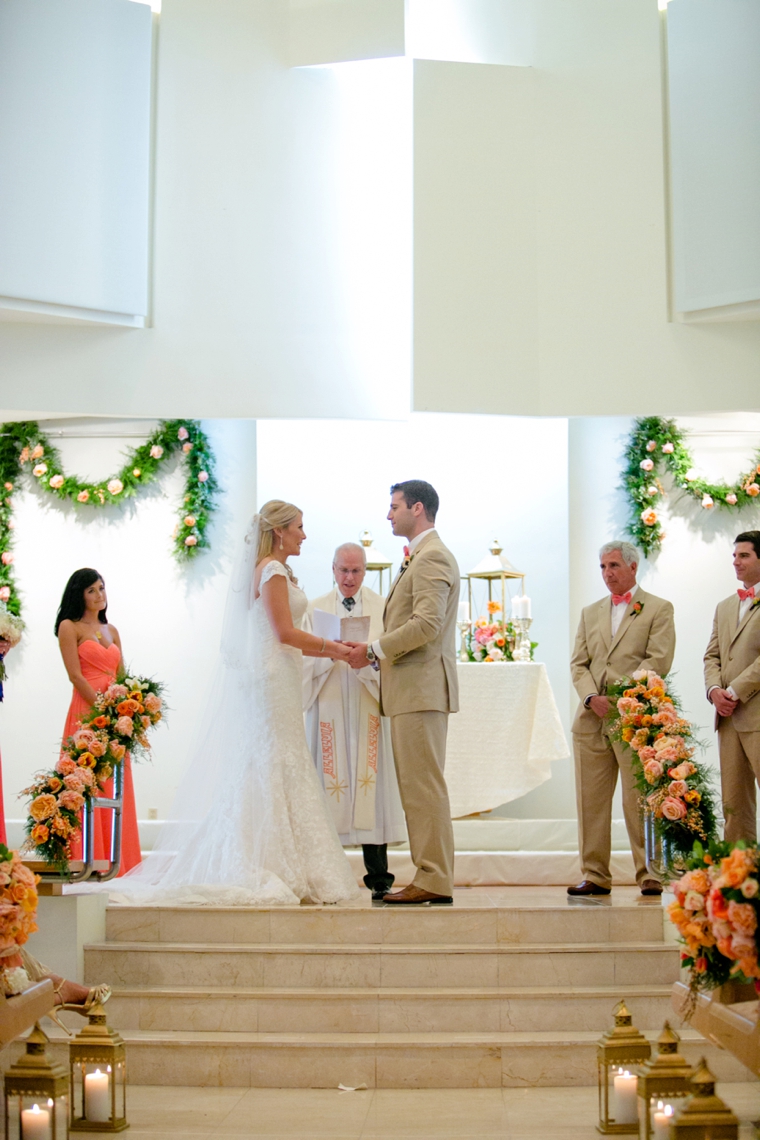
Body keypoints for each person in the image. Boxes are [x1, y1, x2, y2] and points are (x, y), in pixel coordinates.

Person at [100, 501, 360, 906]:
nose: (304, 535)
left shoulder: (276, 570)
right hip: (274, 675)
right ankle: (270, 859)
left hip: (282, 675)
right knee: (276, 758)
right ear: (278, 532)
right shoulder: (271, 571)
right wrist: (336, 650)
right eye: (299, 527)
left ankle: (287, 855)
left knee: (277, 757)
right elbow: (284, 632)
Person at [346, 481, 459, 906]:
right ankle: (433, 875)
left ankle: (433, 877)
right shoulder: (421, 556)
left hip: (420, 689)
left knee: (423, 787)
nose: (388, 515)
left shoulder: (431, 558)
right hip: (412, 689)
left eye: (393, 507)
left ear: (418, 507)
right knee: (419, 787)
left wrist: (373, 649)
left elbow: (427, 625)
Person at [569, 541, 675, 897]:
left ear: (633, 567)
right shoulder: (590, 611)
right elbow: (578, 663)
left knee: (639, 800)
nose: (607, 573)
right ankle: (595, 874)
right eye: (602, 566)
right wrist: (591, 698)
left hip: (635, 720)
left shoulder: (658, 608)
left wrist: (620, 698)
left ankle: (649, 873)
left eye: (613, 565)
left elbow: (658, 660)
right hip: (590, 718)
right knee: (591, 802)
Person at [303, 542, 405, 900]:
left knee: (369, 784)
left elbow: (393, 655)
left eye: (356, 571)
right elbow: (301, 658)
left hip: (366, 700)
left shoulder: (382, 608)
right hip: (328, 696)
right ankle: (323, 873)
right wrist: (331, 654)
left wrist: (369, 661)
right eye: (343, 570)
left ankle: (379, 875)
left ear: (365, 571)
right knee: (327, 779)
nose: (349, 578)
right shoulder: (315, 608)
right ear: (332, 569)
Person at [56, 569, 141, 875]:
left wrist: (126, 711)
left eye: (102, 588)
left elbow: (121, 676)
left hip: (115, 719)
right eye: (92, 590)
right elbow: (75, 675)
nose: (99, 595)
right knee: (86, 779)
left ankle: (117, 859)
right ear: (79, 594)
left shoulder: (112, 630)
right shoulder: (70, 626)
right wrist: (101, 708)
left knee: (113, 781)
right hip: (86, 711)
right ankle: (85, 857)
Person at [704, 530, 760, 844]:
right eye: (734, 556)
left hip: (756, 713)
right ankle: (742, 879)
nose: (736, 563)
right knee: (734, 805)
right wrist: (715, 691)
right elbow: (712, 654)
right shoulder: (725, 606)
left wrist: (735, 691)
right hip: (727, 720)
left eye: (744, 556)